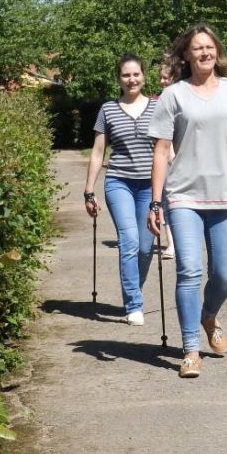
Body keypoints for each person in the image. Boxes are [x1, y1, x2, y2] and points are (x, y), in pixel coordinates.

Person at [147, 23, 227, 379]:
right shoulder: (174, 96)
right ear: (186, 54)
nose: (204, 53)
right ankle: (190, 349)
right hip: (183, 197)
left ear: (218, 52)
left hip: (226, 196)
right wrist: (156, 202)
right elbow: (162, 150)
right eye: (197, 48)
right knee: (189, 271)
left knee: (224, 274)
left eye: (209, 47)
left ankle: (208, 315)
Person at [83, 53, 158, 325]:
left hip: (151, 186)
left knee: (146, 248)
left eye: (136, 74)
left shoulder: (157, 107)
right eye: (126, 75)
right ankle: (134, 304)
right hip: (119, 183)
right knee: (130, 241)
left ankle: (134, 288)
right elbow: (98, 152)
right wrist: (89, 190)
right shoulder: (109, 109)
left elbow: (167, 150)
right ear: (119, 79)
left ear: (144, 76)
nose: (131, 79)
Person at [155, 60, 177, 259]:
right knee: (167, 201)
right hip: (167, 159)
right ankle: (171, 244)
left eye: (165, 78)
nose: (162, 81)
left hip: (184, 158)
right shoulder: (158, 101)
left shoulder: (183, 99)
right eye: (160, 78)